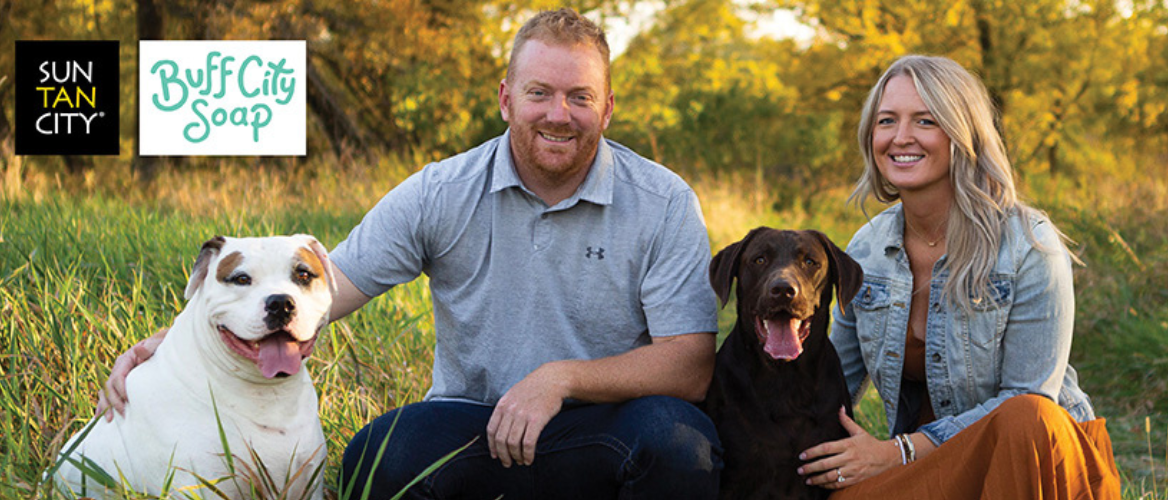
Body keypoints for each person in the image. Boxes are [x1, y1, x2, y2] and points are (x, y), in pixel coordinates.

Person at [96, 8, 722, 499]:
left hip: (605, 435)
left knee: (680, 444)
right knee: (376, 457)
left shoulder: (663, 202)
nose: (559, 114)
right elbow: (325, 286)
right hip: (473, 432)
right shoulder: (441, 191)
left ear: (607, 108)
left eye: (580, 97)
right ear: (506, 99)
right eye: (540, 93)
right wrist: (169, 343)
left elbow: (689, 364)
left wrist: (559, 380)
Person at [795, 55, 1120, 498]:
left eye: (926, 121)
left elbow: (1032, 398)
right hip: (936, 469)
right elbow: (829, 384)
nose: (901, 137)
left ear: (962, 134)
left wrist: (898, 452)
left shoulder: (1029, 243)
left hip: (1044, 465)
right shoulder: (867, 251)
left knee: (1026, 415)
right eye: (887, 120)